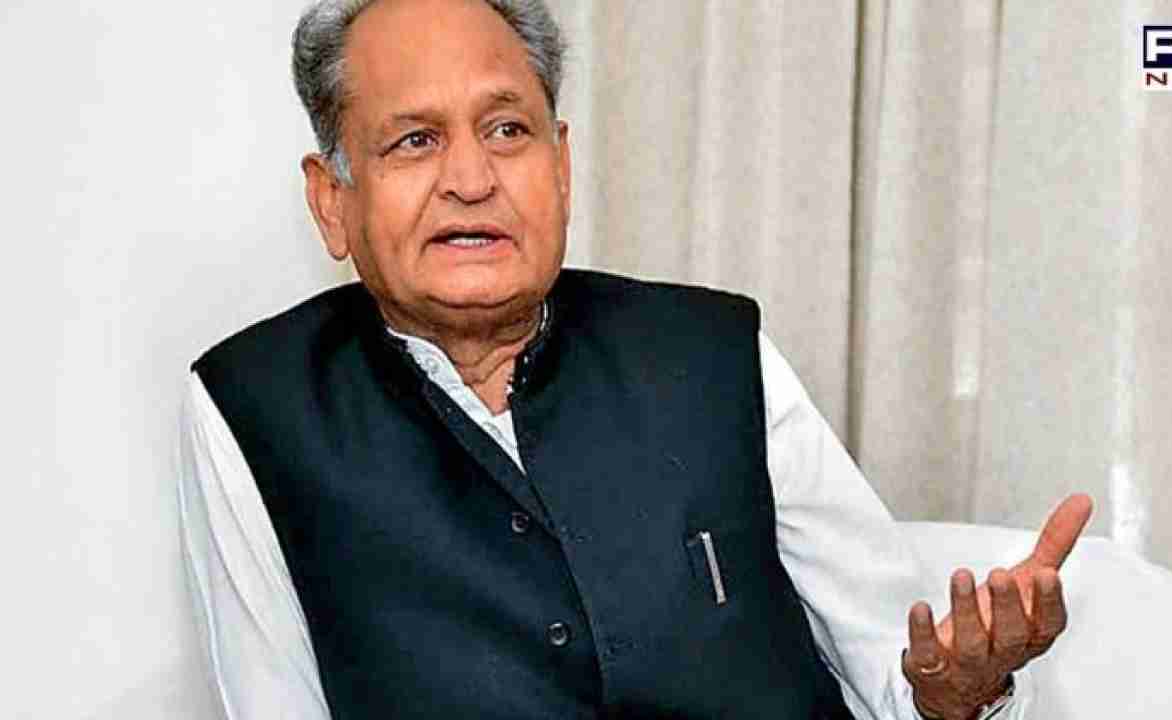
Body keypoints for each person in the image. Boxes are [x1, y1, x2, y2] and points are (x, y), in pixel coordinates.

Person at [178, 0, 1093, 718]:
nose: (472, 178)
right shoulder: (253, 409)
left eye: (507, 130)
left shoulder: (713, 354)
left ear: (561, 167)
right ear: (332, 200)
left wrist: (962, 689)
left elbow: (901, 668)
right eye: (416, 140)